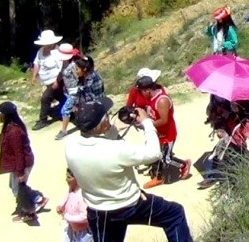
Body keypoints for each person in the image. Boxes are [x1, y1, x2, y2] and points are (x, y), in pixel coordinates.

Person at [65, 100, 193, 242]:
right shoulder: (116, 150)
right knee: (174, 214)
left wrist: (108, 128)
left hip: (98, 211)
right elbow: (154, 153)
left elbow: (100, 145)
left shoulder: (70, 146)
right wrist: (147, 122)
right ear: (102, 124)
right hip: (130, 204)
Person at [0, 101, 47, 222]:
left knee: (18, 189)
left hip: (22, 164)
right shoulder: (11, 127)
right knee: (14, 186)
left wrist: (20, 172)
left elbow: (19, 153)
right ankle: (38, 198)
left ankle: (29, 212)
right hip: (18, 164)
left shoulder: (14, 131)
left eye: (0, 114)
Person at [134, 76, 192, 188]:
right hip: (158, 133)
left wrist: (145, 124)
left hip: (167, 135)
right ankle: (159, 177)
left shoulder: (162, 101)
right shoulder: (151, 98)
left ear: (147, 90)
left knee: (166, 159)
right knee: (157, 155)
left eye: (141, 91)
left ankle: (183, 165)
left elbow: (164, 120)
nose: (140, 94)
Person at [198, 99, 249, 188]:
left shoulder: (246, 123)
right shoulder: (232, 116)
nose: (232, 106)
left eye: (235, 105)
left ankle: (236, 186)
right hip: (226, 144)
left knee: (233, 168)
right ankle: (210, 178)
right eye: (232, 105)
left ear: (242, 107)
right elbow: (225, 130)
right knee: (211, 159)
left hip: (236, 148)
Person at [57, 55, 106, 140]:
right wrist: (76, 104)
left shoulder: (96, 80)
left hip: (94, 109)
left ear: (84, 69)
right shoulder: (82, 78)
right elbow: (79, 92)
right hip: (86, 107)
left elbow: (99, 99)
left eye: (77, 69)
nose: (75, 71)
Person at [30, 29, 66, 130]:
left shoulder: (57, 52)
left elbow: (61, 68)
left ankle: (43, 120)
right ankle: (67, 109)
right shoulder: (41, 51)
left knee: (45, 98)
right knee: (60, 96)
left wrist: (56, 81)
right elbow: (37, 63)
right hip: (46, 80)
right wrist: (34, 76)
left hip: (56, 80)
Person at [57, 169, 92, 242]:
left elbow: (85, 217)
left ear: (77, 179)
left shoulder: (82, 196)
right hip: (72, 228)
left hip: (84, 232)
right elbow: (67, 197)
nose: (66, 179)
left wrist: (67, 216)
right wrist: (61, 205)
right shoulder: (72, 189)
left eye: (69, 177)